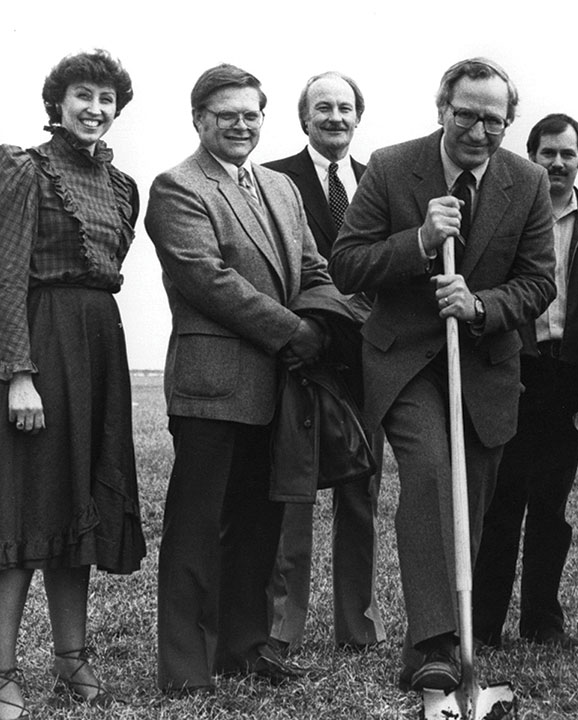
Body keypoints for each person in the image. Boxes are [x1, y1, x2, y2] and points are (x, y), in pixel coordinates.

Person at [329, 58, 555, 692]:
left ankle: (450, 630)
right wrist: (422, 242)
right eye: (466, 116)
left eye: (494, 121)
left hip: (482, 364)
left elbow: (539, 282)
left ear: (509, 122)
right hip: (404, 360)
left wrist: (481, 306)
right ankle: (433, 649)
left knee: (469, 502)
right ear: (441, 109)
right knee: (430, 476)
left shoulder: (528, 181)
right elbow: (347, 263)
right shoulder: (393, 167)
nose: (479, 133)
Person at [146, 63, 343, 694]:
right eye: (225, 114)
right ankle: (184, 669)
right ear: (199, 120)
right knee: (197, 527)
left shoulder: (281, 187)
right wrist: (296, 332)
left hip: (278, 385)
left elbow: (313, 267)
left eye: (250, 114)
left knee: (260, 524)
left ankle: (243, 649)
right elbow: (209, 281)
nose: (239, 124)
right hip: (213, 387)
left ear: (265, 119)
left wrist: (328, 321)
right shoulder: (177, 186)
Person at [0, 49, 145, 719]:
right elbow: (5, 276)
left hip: (99, 351)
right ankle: (2, 671)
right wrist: (18, 376)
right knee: (25, 513)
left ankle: (71, 660)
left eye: (106, 98)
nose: (95, 107)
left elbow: (110, 268)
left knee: (80, 509)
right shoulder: (25, 170)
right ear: (57, 103)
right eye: (82, 95)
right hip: (42, 346)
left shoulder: (123, 187)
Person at [472, 113, 578, 650]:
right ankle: (485, 622)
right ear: (528, 157)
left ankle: (541, 619)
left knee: (551, 506)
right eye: (546, 153)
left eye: (567, 154)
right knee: (501, 501)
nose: (557, 163)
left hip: (568, 378)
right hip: (512, 371)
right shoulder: (503, 220)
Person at [263, 71, 386, 655]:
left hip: (366, 360)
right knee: (294, 496)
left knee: (361, 492)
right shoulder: (272, 181)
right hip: (301, 357)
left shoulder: (376, 181)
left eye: (345, 108)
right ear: (303, 118)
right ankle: (282, 628)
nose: (335, 117)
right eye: (323, 108)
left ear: (358, 117)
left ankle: (355, 627)